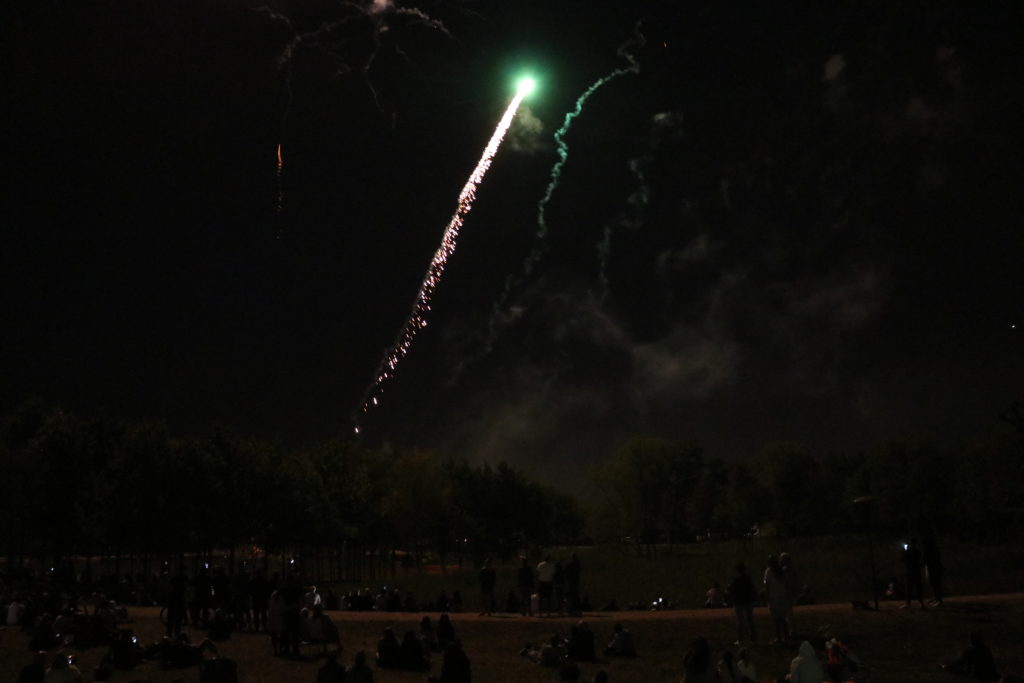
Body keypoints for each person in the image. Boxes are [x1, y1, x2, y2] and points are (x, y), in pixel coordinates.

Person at [763, 555, 791, 644]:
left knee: (777, 620)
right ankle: (785, 636)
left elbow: (767, 585)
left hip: (774, 598)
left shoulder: (769, 572)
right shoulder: (782, 572)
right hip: (783, 597)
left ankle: (779, 637)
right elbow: (787, 585)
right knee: (782, 618)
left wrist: (766, 597)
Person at [728, 563, 757, 645]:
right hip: (747, 601)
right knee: (750, 620)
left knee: (740, 621)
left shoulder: (736, 579)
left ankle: (740, 639)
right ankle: (753, 638)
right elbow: (752, 589)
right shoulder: (748, 578)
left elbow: (731, 589)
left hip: (739, 601)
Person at [903, 539, 927, 609]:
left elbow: (903, 559)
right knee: (917, 588)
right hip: (916, 571)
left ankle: (909, 604)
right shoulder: (917, 551)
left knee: (910, 588)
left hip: (911, 572)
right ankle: (920, 603)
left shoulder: (910, 552)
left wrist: (905, 552)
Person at [923, 533, 945, 606]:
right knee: (933, 584)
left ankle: (939, 600)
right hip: (932, 568)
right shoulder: (932, 550)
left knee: (936, 584)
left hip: (934, 569)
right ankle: (936, 598)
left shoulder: (932, 550)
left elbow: (929, 560)